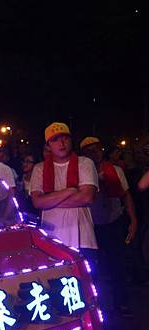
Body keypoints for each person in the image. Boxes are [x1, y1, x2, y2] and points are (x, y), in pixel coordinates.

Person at [80, 137, 136, 317]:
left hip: (113, 222)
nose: (94, 153)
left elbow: (126, 195)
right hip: (91, 225)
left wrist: (133, 219)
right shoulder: (81, 172)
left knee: (117, 265)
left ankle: (121, 303)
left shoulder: (116, 170)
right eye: (89, 150)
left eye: (97, 149)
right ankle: (95, 305)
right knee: (92, 268)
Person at [30, 122, 98, 257]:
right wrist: (70, 191)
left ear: (71, 140)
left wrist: (49, 200)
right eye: (55, 140)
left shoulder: (85, 163)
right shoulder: (39, 168)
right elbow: (37, 203)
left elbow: (87, 197)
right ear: (48, 145)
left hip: (82, 237)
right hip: (51, 237)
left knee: (87, 277)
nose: (61, 143)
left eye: (65, 138)